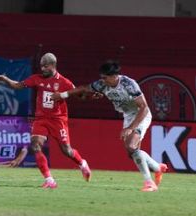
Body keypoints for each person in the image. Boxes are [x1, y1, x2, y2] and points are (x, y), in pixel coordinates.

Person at [52, 60, 167, 192]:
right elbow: (84, 88)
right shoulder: (102, 85)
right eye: (101, 77)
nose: (102, 80)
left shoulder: (129, 85)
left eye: (105, 78)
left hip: (141, 115)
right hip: (128, 115)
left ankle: (149, 183)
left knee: (131, 146)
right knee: (132, 152)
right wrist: (62, 95)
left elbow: (144, 108)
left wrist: (130, 128)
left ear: (114, 76)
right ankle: (158, 168)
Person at [0, 52, 91, 188]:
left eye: (45, 66)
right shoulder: (36, 78)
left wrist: (91, 96)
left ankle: (82, 163)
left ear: (53, 65)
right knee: (35, 145)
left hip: (58, 120)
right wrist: (5, 79)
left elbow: (79, 95)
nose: (43, 69)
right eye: (41, 66)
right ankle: (49, 180)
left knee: (66, 150)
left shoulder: (64, 82)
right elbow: (18, 85)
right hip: (41, 119)